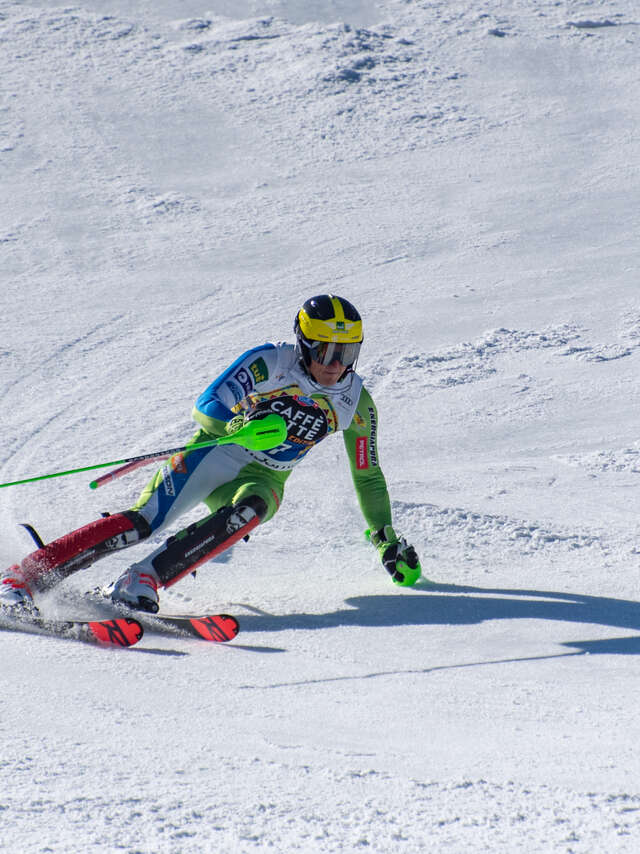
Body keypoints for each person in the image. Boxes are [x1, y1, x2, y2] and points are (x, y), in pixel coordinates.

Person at [0, 294, 421, 616]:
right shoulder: (271, 361)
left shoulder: (356, 402)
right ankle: (21, 578)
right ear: (304, 344)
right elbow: (207, 405)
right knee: (144, 520)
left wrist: (384, 536)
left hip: (266, 477)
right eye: (325, 351)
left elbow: (367, 474)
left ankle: (139, 581)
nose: (335, 364)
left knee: (252, 509)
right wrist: (240, 427)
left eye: (346, 353)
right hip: (215, 453)